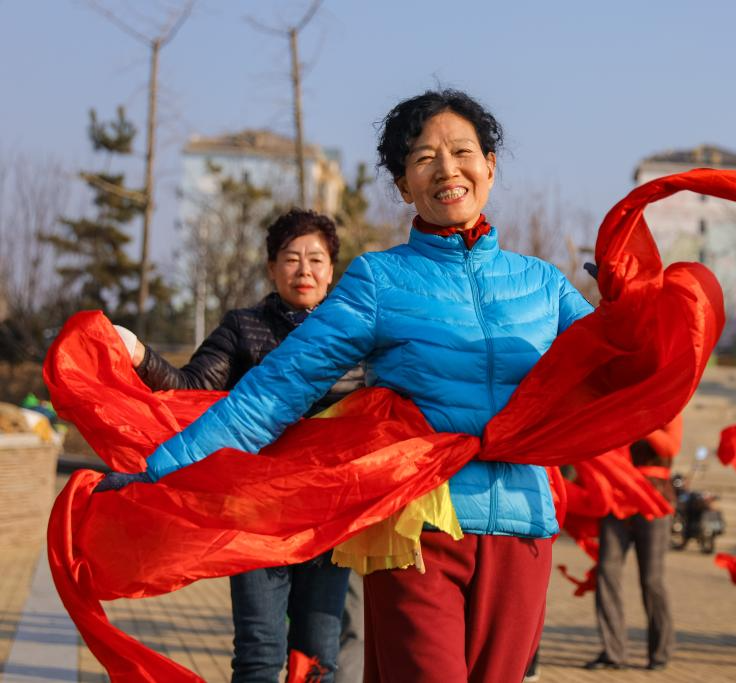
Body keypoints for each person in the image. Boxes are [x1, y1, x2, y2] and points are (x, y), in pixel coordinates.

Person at [99, 89, 593, 683]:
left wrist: (641, 302)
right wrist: (161, 471)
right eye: (424, 158)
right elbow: (274, 390)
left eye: (463, 151)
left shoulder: (544, 284)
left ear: (490, 166)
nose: (447, 169)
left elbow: (624, 365)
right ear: (404, 185)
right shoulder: (380, 280)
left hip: (524, 526)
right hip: (418, 527)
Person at [114, 208, 361, 683]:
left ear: (331, 270)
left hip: (327, 516)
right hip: (255, 515)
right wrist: (139, 356)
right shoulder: (244, 327)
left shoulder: (354, 334)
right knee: (259, 655)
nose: (304, 270)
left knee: (317, 659)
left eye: (316, 259)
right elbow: (190, 391)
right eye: (291, 258)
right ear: (271, 267)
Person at [586, 414, 682, 671]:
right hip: (616, 497)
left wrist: (641, 419)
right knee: (607, 572)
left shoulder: (668, 408)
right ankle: (613, 652)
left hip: (653, 498)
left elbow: (670, 448)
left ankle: (660, 653)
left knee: (652, 579)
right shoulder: (618, 406)